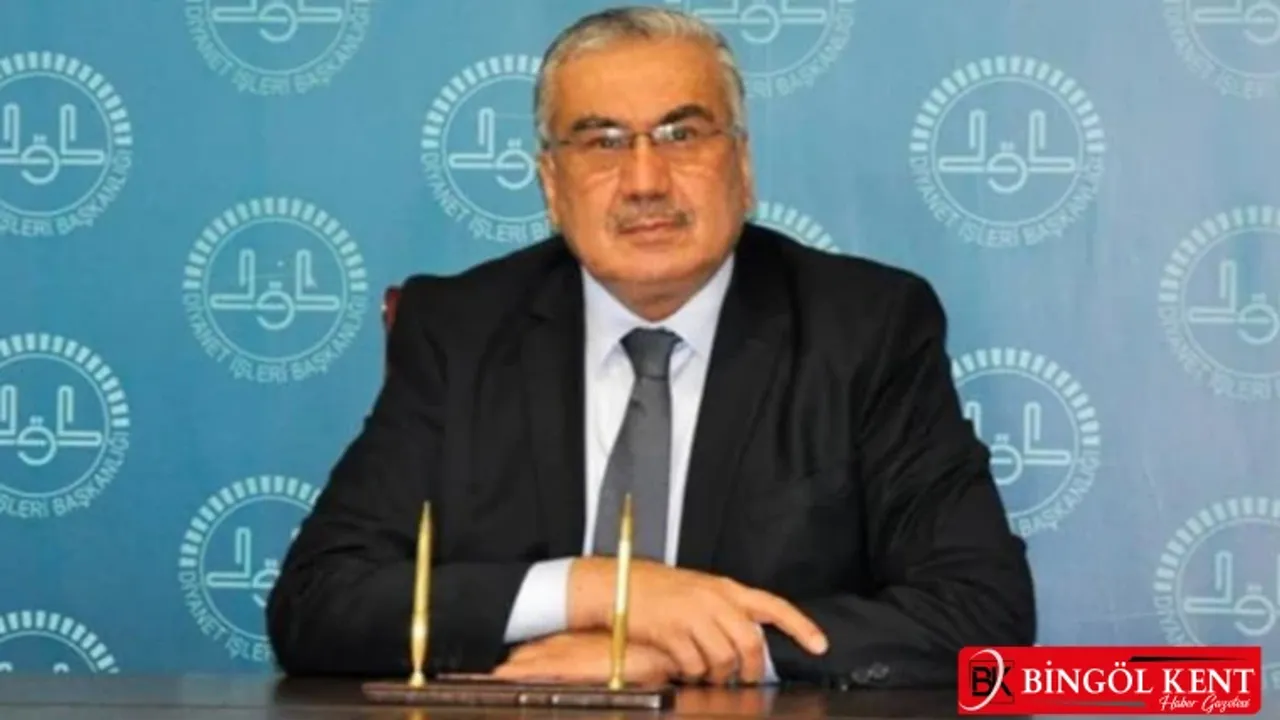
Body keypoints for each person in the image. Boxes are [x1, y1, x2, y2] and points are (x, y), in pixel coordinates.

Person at [266, 5, 1036, 688]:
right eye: (601, 141)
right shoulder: (459, 331)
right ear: (550, 183)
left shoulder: (865, 327)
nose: (644, 181)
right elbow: (316, 604)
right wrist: (596, 593)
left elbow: (982, 616)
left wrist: (688, 648)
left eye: (682, 134)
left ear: (743, 165)